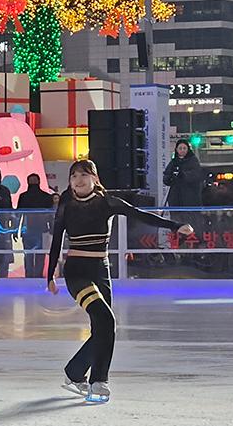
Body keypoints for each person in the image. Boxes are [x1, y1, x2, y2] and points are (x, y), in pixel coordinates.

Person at [46, 160, 193, 404]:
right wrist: (50, 274)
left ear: (95, 178)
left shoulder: (107, 202)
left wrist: (175, 226)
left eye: (84, 175)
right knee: (106, 319)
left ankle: (74, 372)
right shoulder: (66, 202)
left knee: (104, 328)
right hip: (77, 271)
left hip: (101, 270)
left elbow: (141, 215)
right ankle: (99, 381)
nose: (78, 180)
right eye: (73, 176)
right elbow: (57, 238)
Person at [163, 139, 203, 208]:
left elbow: (196, 175)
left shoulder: (193, 161)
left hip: (190, 198)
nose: (182, 150)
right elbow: (166, 178)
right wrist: (171, 177)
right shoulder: (173, 162)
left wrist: (183, 175)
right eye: (180, 148)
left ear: (188, 149)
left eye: (184, 148)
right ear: (176, 149)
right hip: (175, 198)